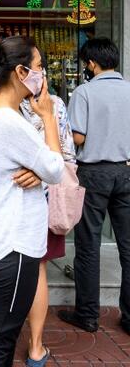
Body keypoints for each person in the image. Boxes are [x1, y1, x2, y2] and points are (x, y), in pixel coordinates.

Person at [0, 51, 76, 365]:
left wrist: (38, 167)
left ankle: (34, 345)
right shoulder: (10, 119)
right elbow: (56, 167)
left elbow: (46, 166)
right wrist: (49, 118)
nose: (43, 73)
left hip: (10, 238)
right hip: (14, 243)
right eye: (39, 66)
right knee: (0, 342)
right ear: (20, 71)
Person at [59, 38, 130, 334]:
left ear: (91, 63)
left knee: (88, 245)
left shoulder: (85, 92)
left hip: (94, 173)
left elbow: (77, 137)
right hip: (125, 172)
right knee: (128, 247)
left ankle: (87, 314)